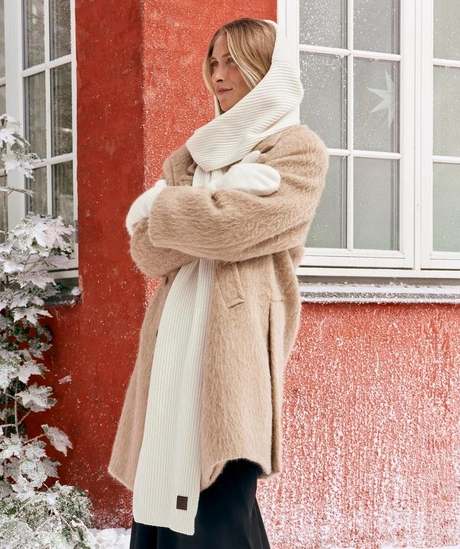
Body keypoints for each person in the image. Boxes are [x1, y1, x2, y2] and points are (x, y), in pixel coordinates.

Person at [108, 17, 329, 549]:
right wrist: (218, 196)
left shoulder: (297, 150)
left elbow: (231, 230)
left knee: (221, 510)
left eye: (233, 61)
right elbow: (148, 251)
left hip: (234, 356)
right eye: (213, 61)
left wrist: (162, 206)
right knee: (163, 507)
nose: (219, 74)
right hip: (172, 351)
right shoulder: (190, 157)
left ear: (267, 70)